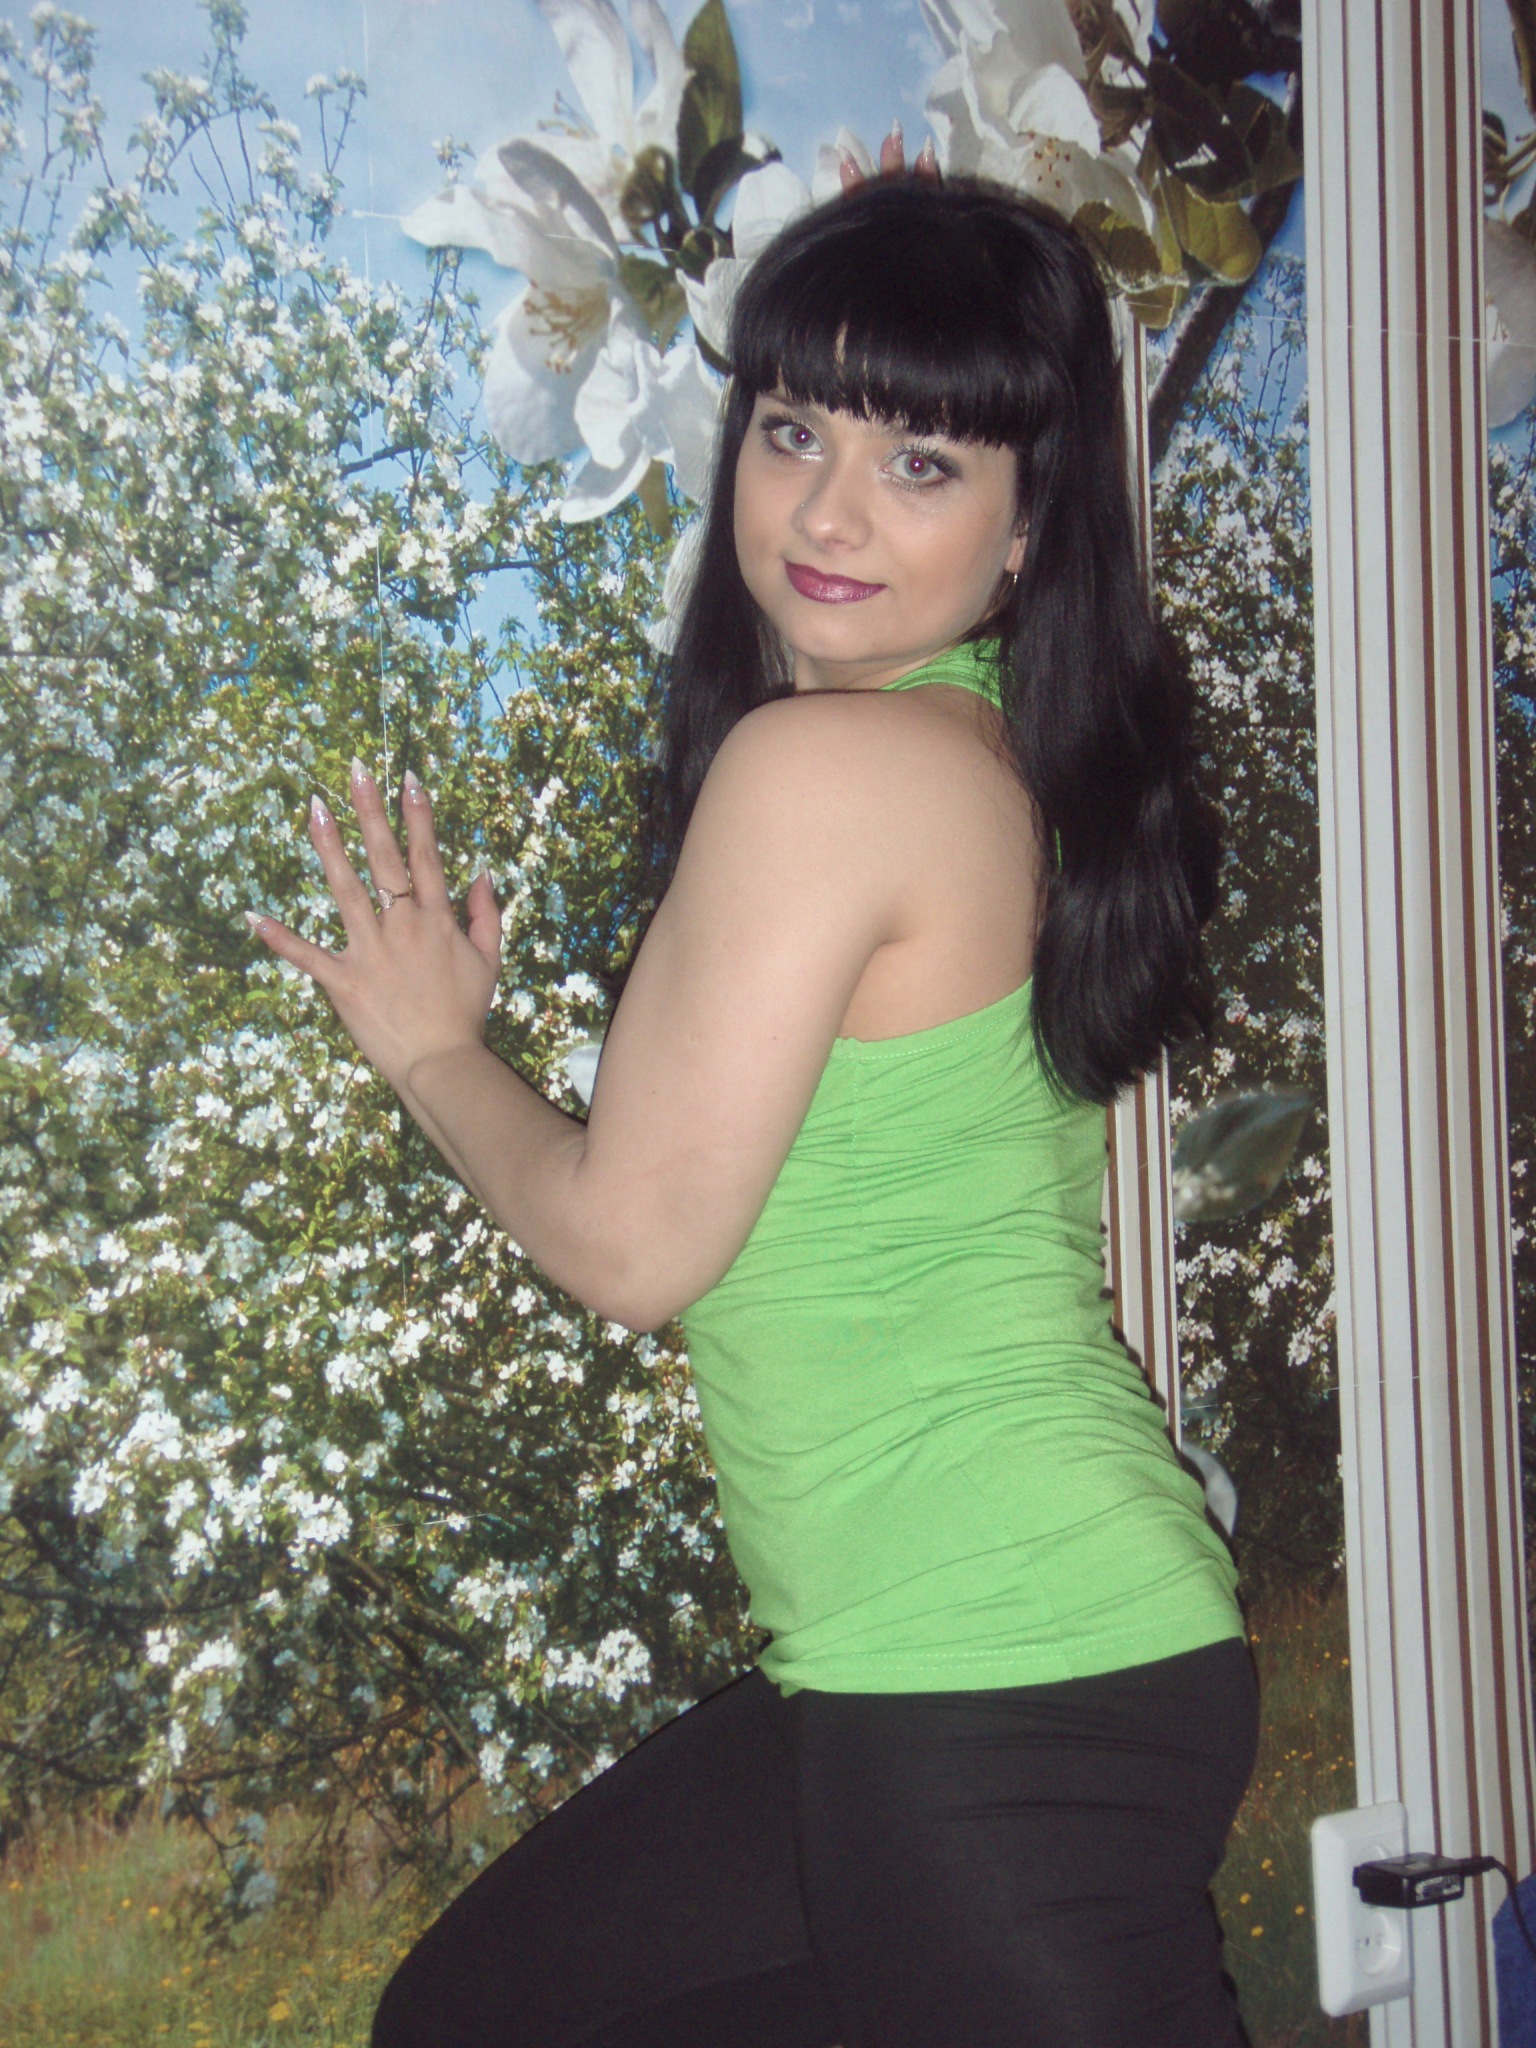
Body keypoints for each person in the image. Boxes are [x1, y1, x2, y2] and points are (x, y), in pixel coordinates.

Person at [248, 165, 1258, 2048]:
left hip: (999, 1681)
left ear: (1030, 532)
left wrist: (436, 1053)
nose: (828, 510)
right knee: (475, 2017)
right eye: (796, 430)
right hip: (971, 1658)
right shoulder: (980, 746)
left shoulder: (834, 769)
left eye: (922, 462)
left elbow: (635, 1245)